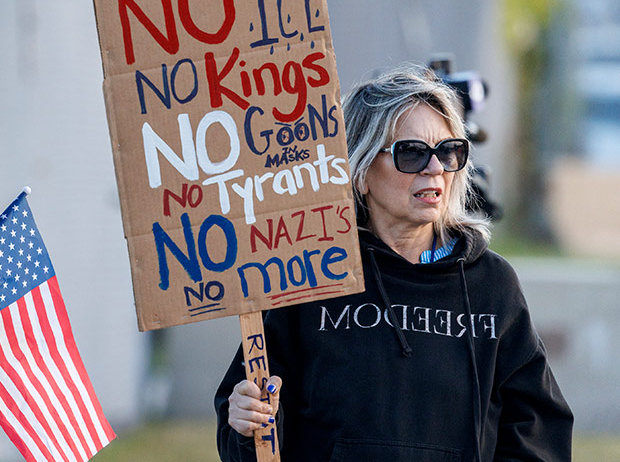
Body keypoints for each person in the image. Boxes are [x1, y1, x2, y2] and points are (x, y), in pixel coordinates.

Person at [216, 63, 573, 462]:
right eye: (413, 153)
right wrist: (246, 425)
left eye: (448, 151)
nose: (436, 168)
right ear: (362, 171)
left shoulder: (492, 284)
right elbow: (252, 440)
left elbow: (539, 433)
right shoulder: (309, 274)